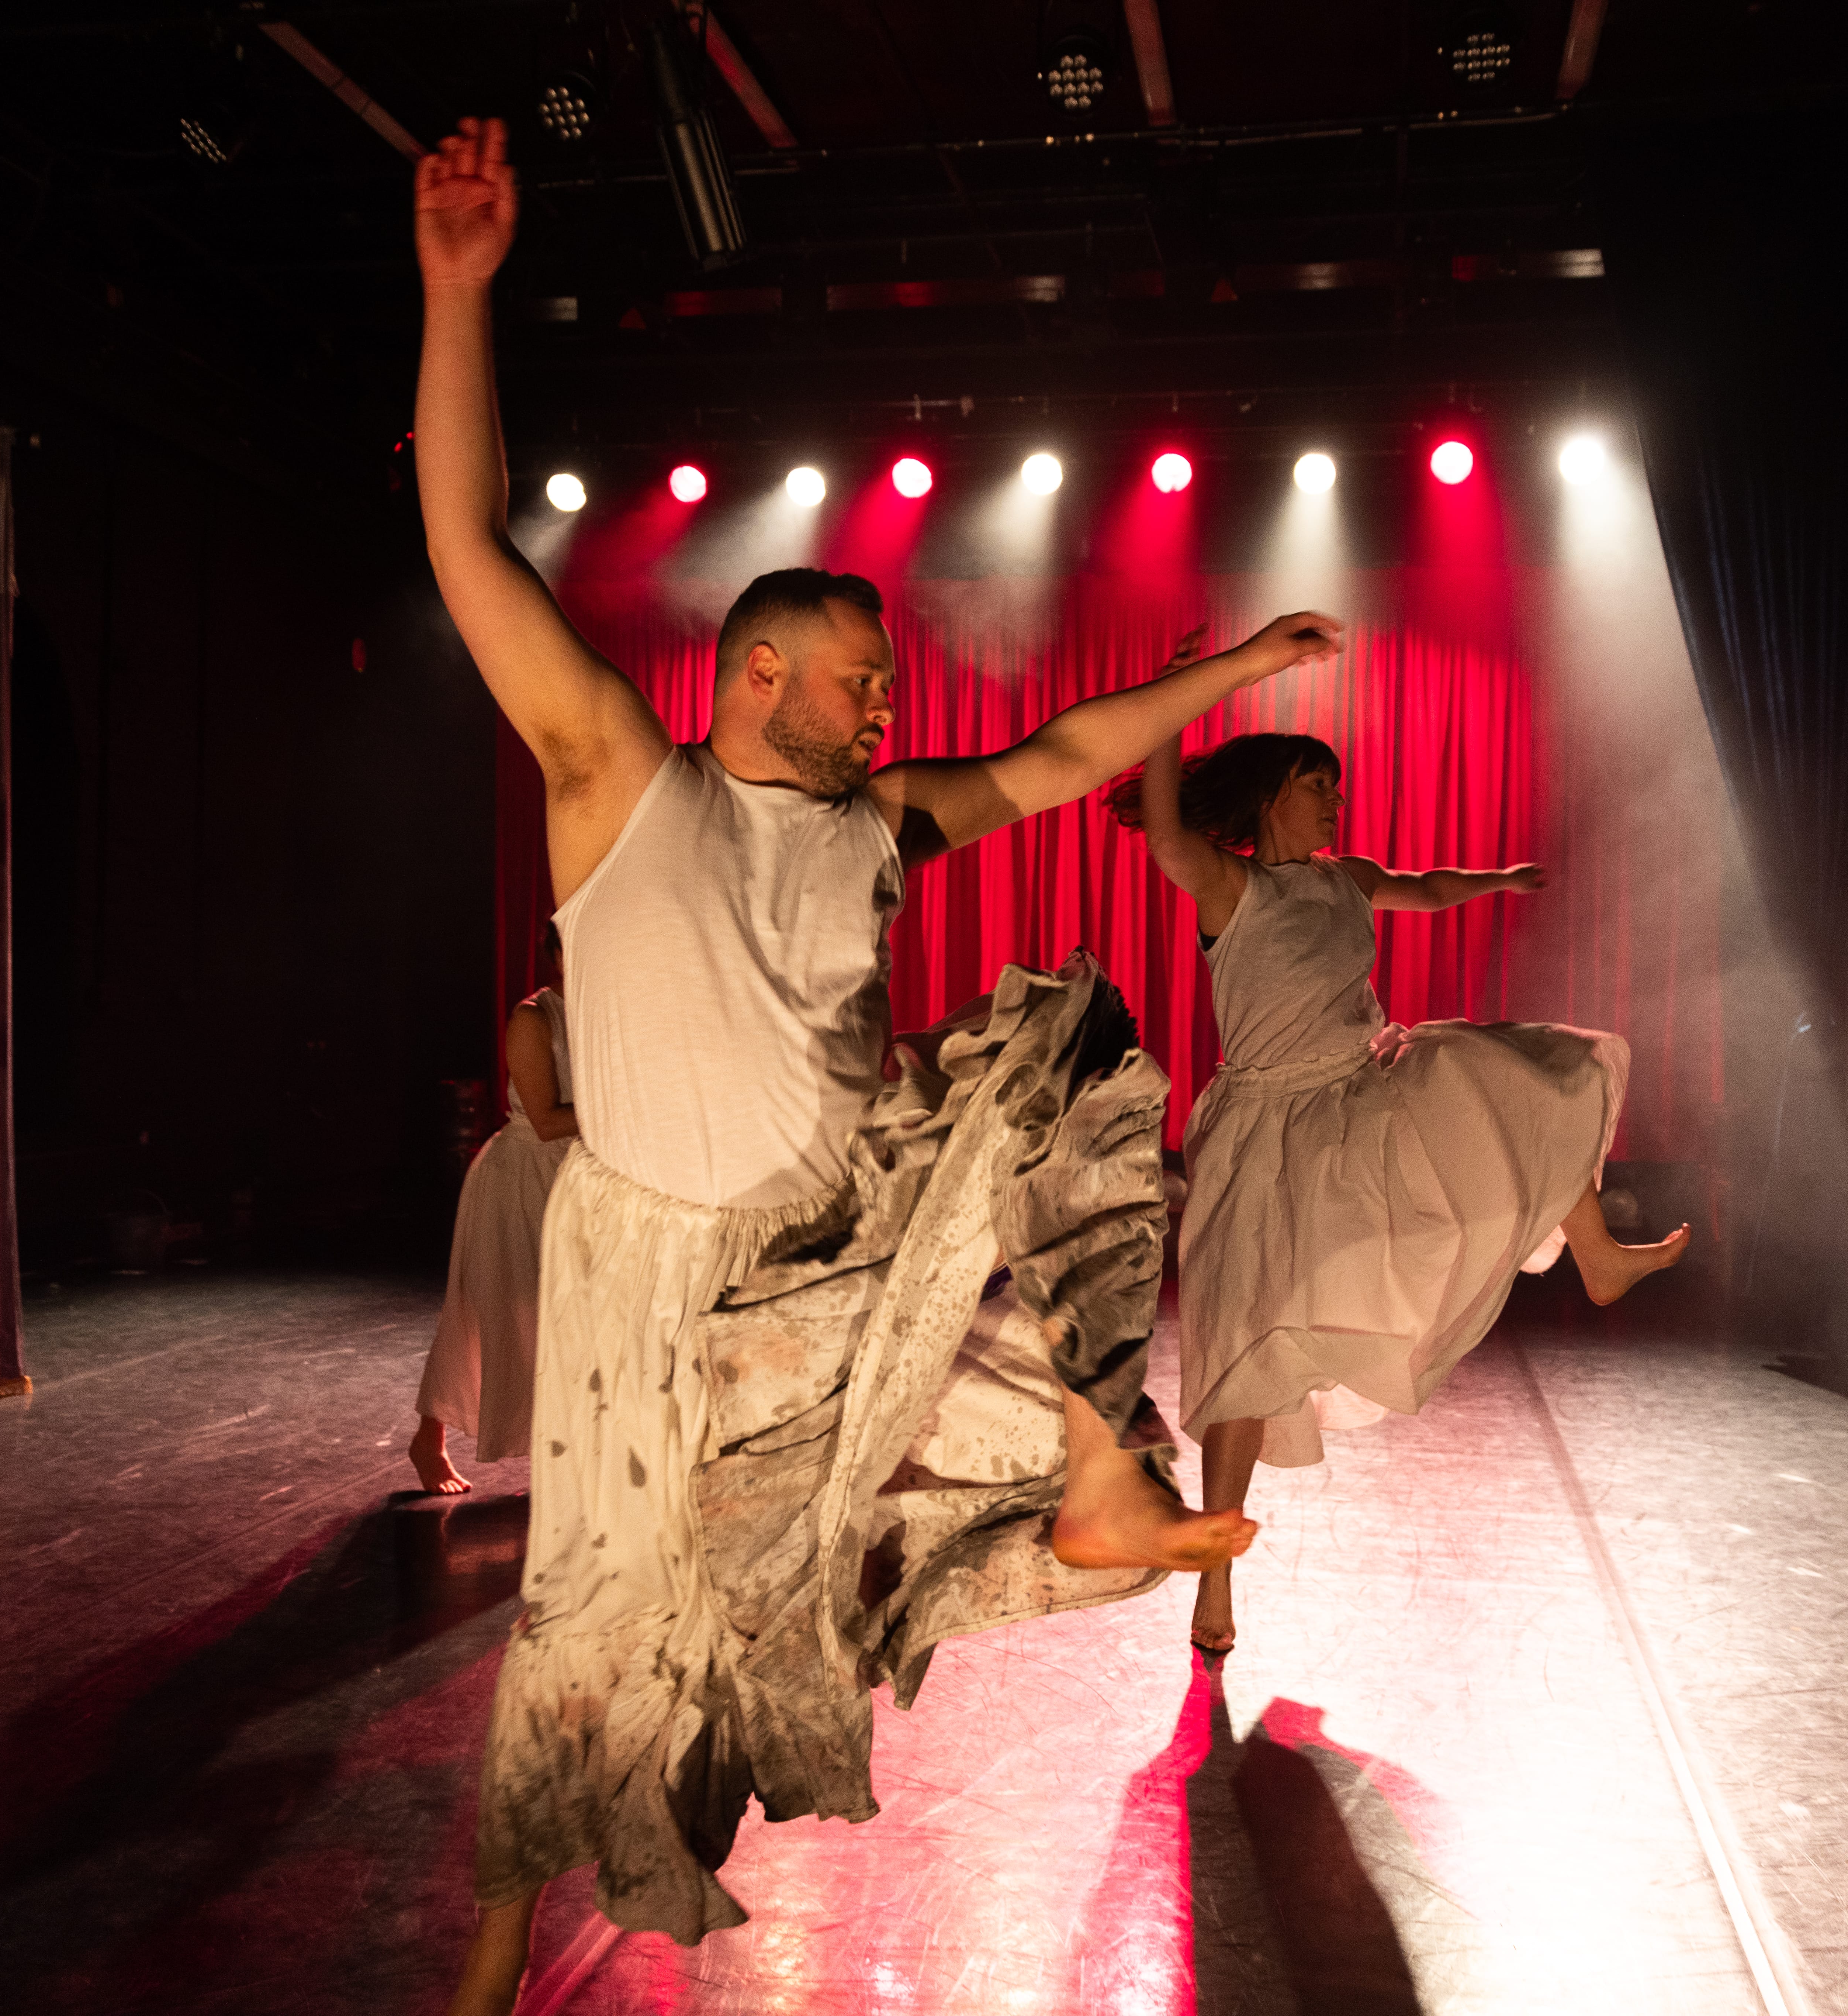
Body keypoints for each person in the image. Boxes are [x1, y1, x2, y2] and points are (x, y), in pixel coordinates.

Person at [415, 115, 1337, 2009]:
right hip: (649, 1280)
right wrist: (454, 300)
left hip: (831, 1264)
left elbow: (1063, 755)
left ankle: (1092, 1465)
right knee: (602, 1627)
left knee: (1064, 1041)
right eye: (860, 683)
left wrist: (1224, 673)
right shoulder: (619, 786)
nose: (888, 711)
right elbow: (461, 542)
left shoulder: (877, 826)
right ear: (758, 672)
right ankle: (502, 1943)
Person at [1110, 705, 1689, 1654]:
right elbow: (1169, 829)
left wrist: (1496, 880)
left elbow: (1422, 888)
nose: (1336, 800)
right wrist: (1172, 709)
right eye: (1318, 787)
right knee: (1245, 1368)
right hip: (1264, 1131)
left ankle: (1598, 1256)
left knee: (1504, 1078)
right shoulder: (1234, 887)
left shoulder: (1348, 879)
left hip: (1355, 1101)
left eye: (1337, 786)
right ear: (1270, 799)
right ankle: (1213, 1585)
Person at [410, 935, 579, 1496]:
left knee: (577, 1320)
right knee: (489, 1314)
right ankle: (428, 1439)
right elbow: (550, 1121)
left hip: (581, 1177)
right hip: (525, 1176)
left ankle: (572, 1453)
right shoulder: (533, 1018)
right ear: (560, 953)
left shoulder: (610, 1014)